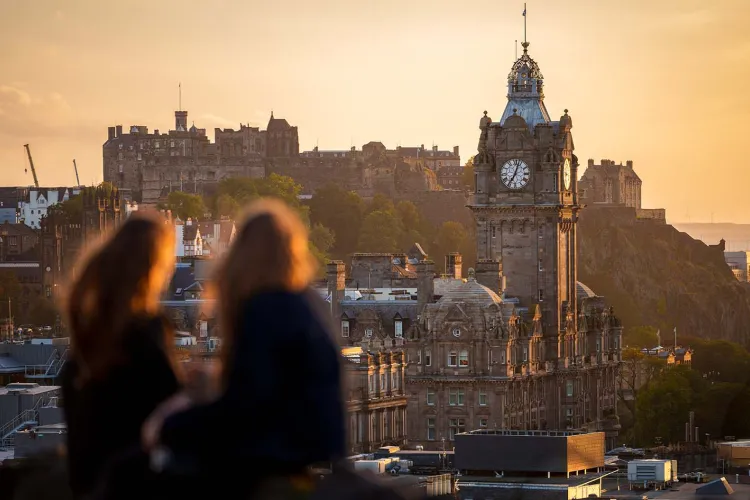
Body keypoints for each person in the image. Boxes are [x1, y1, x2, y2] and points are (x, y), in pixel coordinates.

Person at [143, 198, 345, 497]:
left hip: (278, 458)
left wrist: (169, 424)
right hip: (313, 455)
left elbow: (244, 408)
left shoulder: (266, 307)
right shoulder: (307, 302)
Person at [61, 212, 180, 499]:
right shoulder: (143, 332)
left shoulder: (90, 333)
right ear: (152, 267)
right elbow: (168, 414)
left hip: (90, 486)